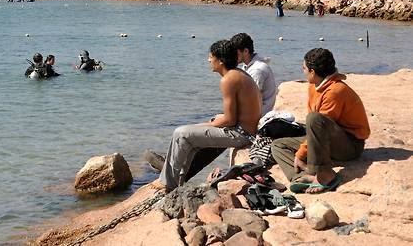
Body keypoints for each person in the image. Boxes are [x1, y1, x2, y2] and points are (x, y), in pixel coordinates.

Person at [150, 40, 262, 192]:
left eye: (211, 57)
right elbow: (236, 114)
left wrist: (202, 125)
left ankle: (167, 183)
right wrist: (214, 121)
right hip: (246, 131)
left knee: (181, 133)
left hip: (241, 135)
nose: (209, 60)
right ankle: (178, 181)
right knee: (191, 133)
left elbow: (230, 120)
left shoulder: (228, 80)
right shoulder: (238, 74)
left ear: (220, 61)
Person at [271, 49, 370, 194]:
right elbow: (315, 129)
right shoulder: (313, 86)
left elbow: (320, 122)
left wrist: (300, 155)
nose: (302, 71)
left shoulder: (336, 91)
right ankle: (302, 176)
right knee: (278, 146)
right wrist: (304, 151)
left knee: (314, 118)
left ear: (312, 72)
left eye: (304, 68)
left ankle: (326, 175)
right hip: (327, 140)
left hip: (350, 145)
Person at [231, 33, 277, 115]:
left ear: (245, 51)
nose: (233, 56)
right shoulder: (248, 66)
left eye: (236, 53)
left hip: (258, 116)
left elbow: (251, 101)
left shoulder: (257, 70)